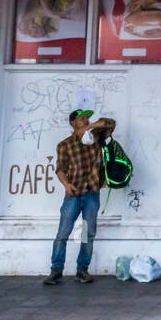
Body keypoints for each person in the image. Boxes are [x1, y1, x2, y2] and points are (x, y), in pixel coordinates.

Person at [45, 109, 116, 285]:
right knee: (63, 233)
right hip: (74, 194)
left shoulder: (96, 138)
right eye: (81, 118)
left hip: (92, 193)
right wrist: (66, 185)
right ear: (72, 123)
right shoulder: (65, 145)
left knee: (87, 234)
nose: (85, 120)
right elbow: (60, 168)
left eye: (87, 117)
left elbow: (111, 124)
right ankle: (56, 270)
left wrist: (91, 126)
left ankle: (82, 270)